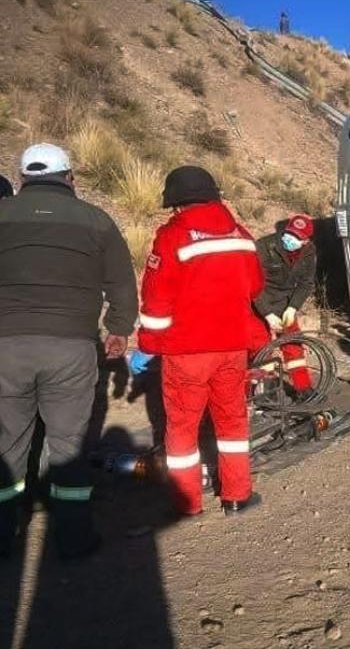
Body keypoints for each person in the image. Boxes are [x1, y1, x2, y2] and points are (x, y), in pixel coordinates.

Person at [0, 144, 137, 560]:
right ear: (70, 178)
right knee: (68, 444)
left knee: (6, 446)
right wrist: (117, 332)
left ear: (22, 179)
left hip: (6, 349)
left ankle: (4, 537)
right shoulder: (97, 221)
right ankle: (74, 539)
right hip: (72, 349)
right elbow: (122, 286)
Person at [135, 166, 265, 517]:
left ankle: (186, 503)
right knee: (233, 423)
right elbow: (255, 287)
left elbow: (156, 299)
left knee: (181, 429)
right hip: (232, 348)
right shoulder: (240, 233)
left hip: (186, 352)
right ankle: (237, 496)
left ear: (177, 203)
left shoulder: (172, 236)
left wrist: (148, 342)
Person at [253, 215, 317, 397]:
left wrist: (293, 307)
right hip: (260, 302)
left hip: (285, 304)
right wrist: (266, 313)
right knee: (261, 349)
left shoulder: (309, 251)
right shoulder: (264, 246)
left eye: (298, 237)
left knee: (294, 346)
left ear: (306, 241)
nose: (291, 239)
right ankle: (267, 390)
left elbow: (306, 283)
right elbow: (252, 283)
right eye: (289, 234)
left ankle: (303, 388)